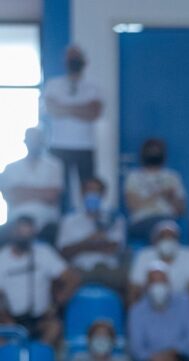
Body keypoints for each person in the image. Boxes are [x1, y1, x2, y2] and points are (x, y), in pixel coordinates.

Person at [0, 214, 79, 345]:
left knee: (55, 328)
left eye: (27, 232)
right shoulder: (2, 259)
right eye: (20, 231)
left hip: (42, 319)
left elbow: (72, 278)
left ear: (34, 233)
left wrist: (57, 303)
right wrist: (5, 318)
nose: (23, 236)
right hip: (11, 320)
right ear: (12, 232)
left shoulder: (44, 253)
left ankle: (40, 358)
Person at [127, 263, 189, 361]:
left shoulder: (184, 303)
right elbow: (136, 347)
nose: (158, 286)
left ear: (169, 283)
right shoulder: (136, 311)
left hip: (179, 358)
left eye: (161, 281)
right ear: (146, 286)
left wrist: (172, 354)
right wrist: (157, 359)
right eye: (153, 282)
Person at [42, 45, 103, 203]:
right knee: (61, 189)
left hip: (85, 146)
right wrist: (81, 108)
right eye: (70, 57)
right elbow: (52, 110)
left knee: (88, 187)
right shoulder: (53, 84)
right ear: (64, 61)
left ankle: (88, 220)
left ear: (84, 61)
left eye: (76, 57)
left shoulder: (93, 86)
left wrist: (64, 107)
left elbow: (94, 113)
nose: (73, 61)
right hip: (59, 145)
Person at [56, 176, 128, 293]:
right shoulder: (68, 221)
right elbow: (64, 251)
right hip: (80, 270)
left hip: (109, 270)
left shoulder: (115, 218)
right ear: (82, 193)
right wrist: (91, 241)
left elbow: (114, 248)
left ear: (103, 194)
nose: (92, 194)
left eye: (96, 191)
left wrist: (82, 247)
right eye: (89, 190)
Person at [129, 219, 189, 324]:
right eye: (163, 236)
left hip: (181, 305)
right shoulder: (144, 255)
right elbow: (134, 288)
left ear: (178, 240)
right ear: (154, 240)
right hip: (149, 304)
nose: (167, 240)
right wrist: (134, 316)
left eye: (171, 236)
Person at [0, 126, 64, 243]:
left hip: (47, 223)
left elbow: (53, 196)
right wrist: (42, 193)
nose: (35, 143)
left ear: (43, 142)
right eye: (32, 140)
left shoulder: (55, 165)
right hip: (16, 221)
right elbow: (10, 196)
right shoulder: (11, 168)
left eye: (37, 140)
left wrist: (22, 191)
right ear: (25, 141)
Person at [123, 138, 187, 242]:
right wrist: (158, 194)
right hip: (142, 220)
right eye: (150, 150)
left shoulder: (172, 177)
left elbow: (181, 210)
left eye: (157, 150)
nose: (154, 153)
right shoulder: (133, 177)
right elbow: (132, 206)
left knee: (168, 228)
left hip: (168, 219)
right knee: (162, 230)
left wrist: (170, 197)